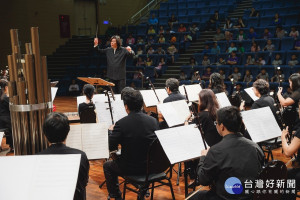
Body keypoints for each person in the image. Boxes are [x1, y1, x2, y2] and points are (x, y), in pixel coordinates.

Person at [189, 106, 264, 200]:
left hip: (226, 197)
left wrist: (203, 157)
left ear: (222, 126)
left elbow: (203, 180)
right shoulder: (255, 146)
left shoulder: (216, 151)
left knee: (193, 197)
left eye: (216, 123)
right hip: (251, 196)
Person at [103, 90, 159, 200]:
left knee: (107, 166)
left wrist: (111, 132)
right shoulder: (153, 121)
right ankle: (143, 191)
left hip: (131, 168)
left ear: (126, 106)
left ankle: (117, 196)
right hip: (151, 167)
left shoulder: (121, 124)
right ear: (142, 104)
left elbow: (111, 145)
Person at [38, 113, 90, 200]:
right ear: (68, 131)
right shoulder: (81, 156)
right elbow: (84, 182)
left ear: (44, 133)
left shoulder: (37, 158)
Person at [0, 79, 13, 150]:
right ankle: (12, 145)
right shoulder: (5, 98)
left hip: (2, 120)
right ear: (6, 87)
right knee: (14, 124)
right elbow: (11, 107)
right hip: (4, 121)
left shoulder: (2, 97)